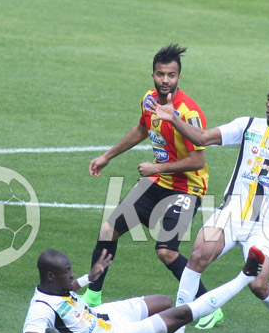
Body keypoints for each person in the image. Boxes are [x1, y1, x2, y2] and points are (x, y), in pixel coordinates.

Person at [149, 75, 269, 333]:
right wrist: (173, 119)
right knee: (198, 256)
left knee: (260, 285)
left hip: (261, 222)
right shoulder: (247, 126)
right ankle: (177, 332)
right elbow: (202, 137)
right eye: (268, 98)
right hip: (230, 212)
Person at [85, 44, 210, 308]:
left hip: (186, 189)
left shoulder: (188, 112)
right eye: (160, 74)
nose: (166, 80)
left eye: (171, 75)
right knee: (109, 229)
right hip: (156, 183)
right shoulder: (149, 99)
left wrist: (157, 168)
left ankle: (208, 307)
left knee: (166, 251)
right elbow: (142, 129)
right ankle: (92, 296)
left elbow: (198, 161)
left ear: (179, 77)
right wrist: (108, 156)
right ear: (153, 74)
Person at [21, 246, 266, 333]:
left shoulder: (56, 288)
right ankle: (244, 276)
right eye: (68, 272)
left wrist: (89, 277)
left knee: (164, 301)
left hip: (104, 315)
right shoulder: (40, 309)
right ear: (51, 276)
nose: (72, 276)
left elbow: (65, 294)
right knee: (179, 315)